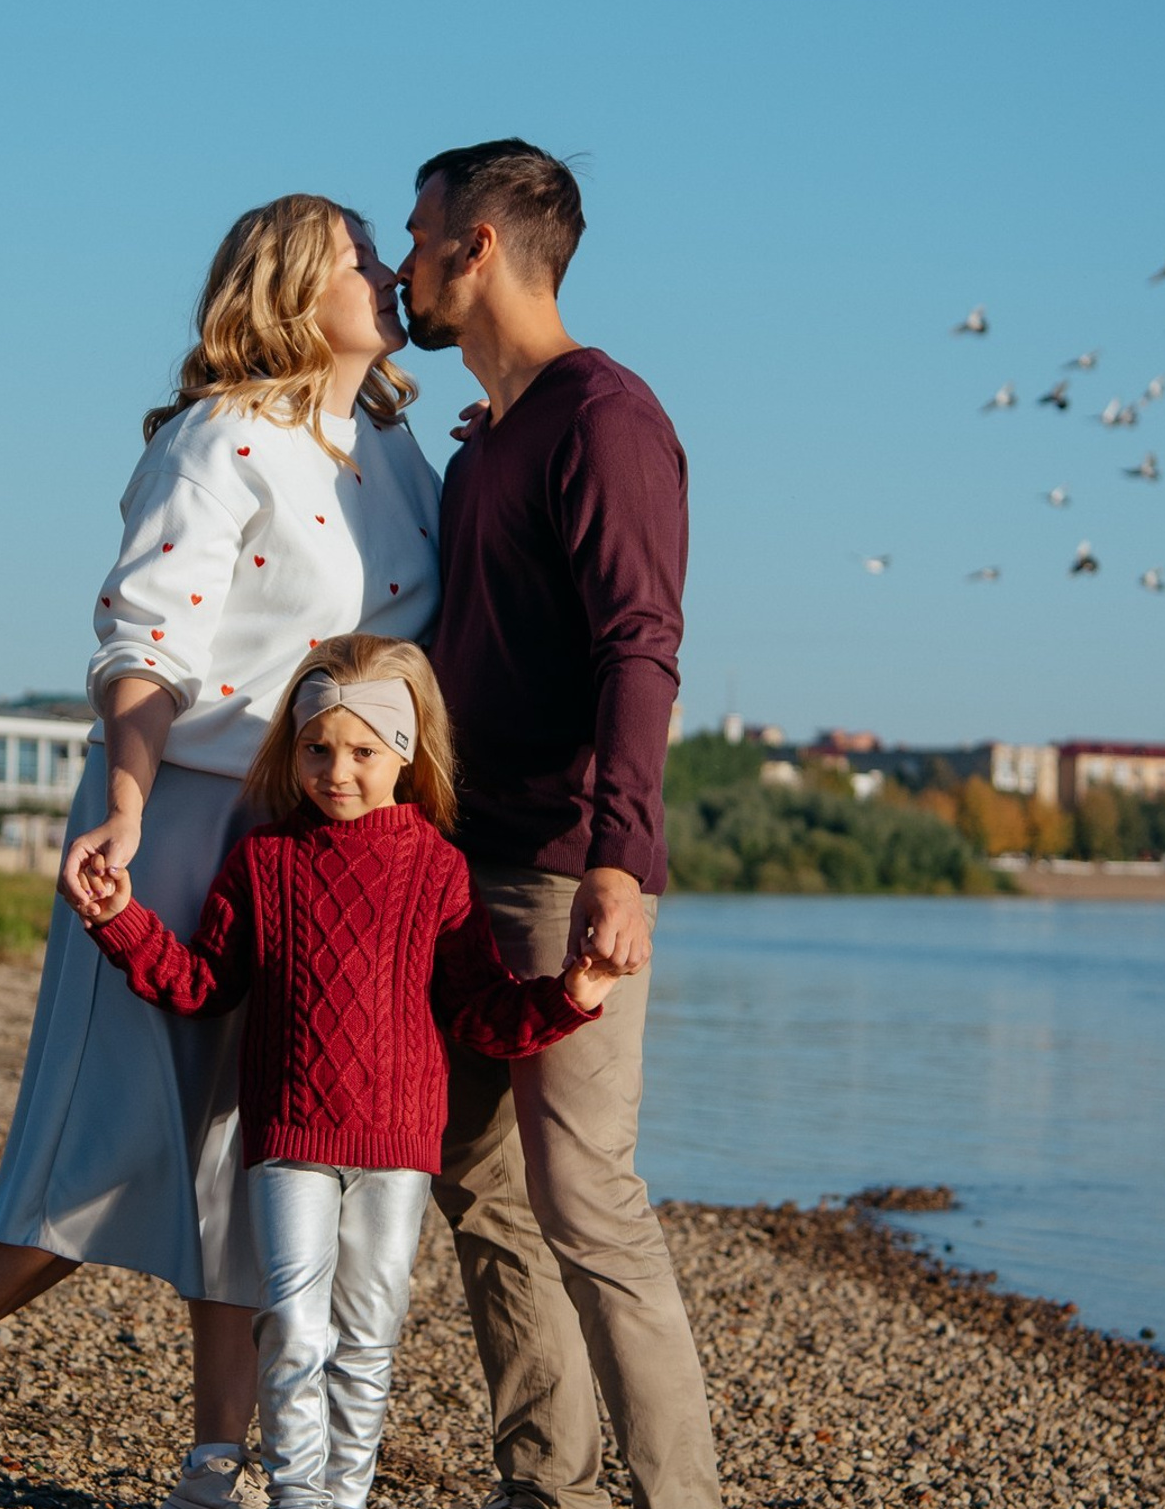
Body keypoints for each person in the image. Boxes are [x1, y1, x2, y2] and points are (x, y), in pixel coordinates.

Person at [0, 196, 441, 1509]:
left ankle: (221, 1460)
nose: (392, 272)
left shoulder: (393, 448)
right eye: (361, 259)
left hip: (308, 836)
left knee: (250, 1152)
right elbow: (146, 641)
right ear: (284, 289)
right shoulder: (223, 440)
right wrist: (129, 804)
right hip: (173, 820)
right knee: (98, 1152)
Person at [67, 635, 621, 1509]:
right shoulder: (264, 861)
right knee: (291, 1326)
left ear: (405, 753)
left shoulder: (436, 869)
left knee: (367, 1337)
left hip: (400, 1144)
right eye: (317, 748)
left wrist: (573, 994)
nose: (337, 771)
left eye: (363, 752)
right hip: (288, 1133)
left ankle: (344, 1498)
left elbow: (478, 1010)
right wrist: (122, 922)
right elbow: (206, 985)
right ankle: (297, 1497)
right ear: (293, 748)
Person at [397, 140, 723, 1509]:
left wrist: (621, 861)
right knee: (476, 1188)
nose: (402, 263)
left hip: (555, 869)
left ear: (475, 247)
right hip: (463, 864)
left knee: (588, 1200)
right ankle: (549, 1488)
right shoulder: (497, 440)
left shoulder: (605, 418)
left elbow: (641, 644)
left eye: (417, 237)